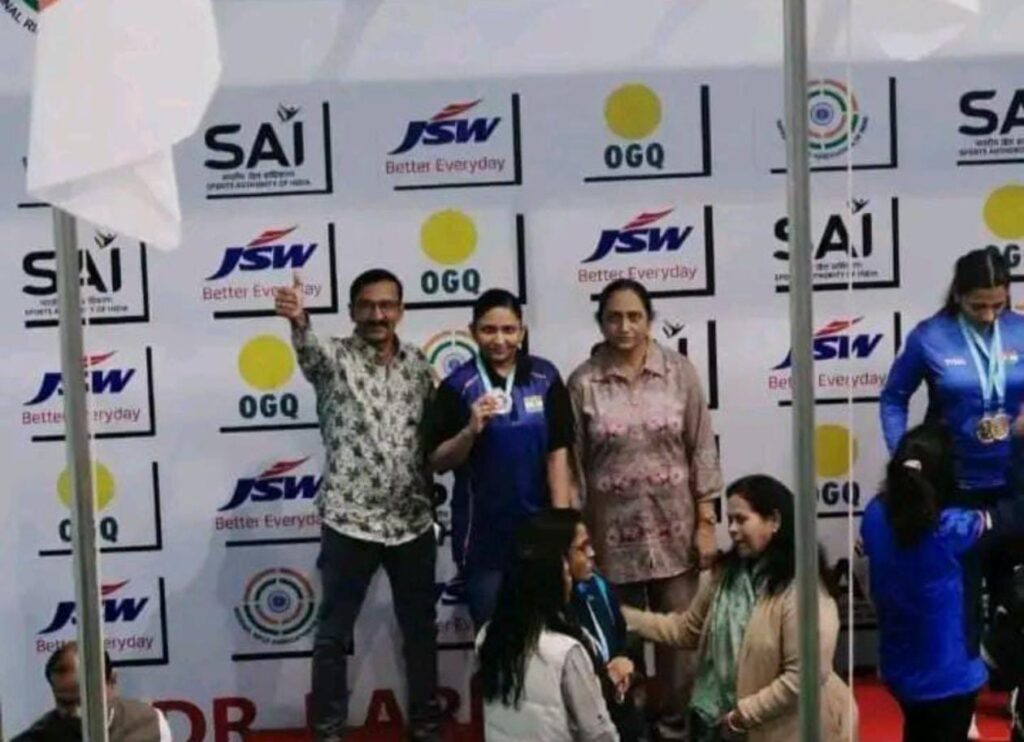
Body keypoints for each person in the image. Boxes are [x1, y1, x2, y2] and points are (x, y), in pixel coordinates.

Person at [275, 269, 441, 741]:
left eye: (386, 305)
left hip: (411, 521)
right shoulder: (333, 358)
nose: (377, 315)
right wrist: (299, 320)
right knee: (333, 635)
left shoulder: (419, 365)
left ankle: (427, 728)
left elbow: (437, 431)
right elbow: (309, 351)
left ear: (401, 311)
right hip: (349, 521)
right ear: (351, 311)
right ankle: (328, 732)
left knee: (421, 633)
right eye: (367, 305)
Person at [568, 278, 723, 740]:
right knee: (620, 644)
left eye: (634, 316)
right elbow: (573, 464)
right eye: (614, 317)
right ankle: (630, 728)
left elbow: (701, 448)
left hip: (675, 535)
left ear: (649, 321)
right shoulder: (583, 383)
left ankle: (677, 727)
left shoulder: (679, 372)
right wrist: (577, 535)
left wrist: (706, 521)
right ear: (600, 323)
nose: (625, 326)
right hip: (610, 541)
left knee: (683, 644)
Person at [621, 475, 856, 742]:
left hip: (777, 731)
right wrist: (626, 617)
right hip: (716, 723)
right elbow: (687, 630)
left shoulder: (803, 590)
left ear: (774, 521)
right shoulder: (725, 576)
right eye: (730, 520)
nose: (732, 529)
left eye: (741, 520)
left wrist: (743, 715)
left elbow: (802, 677)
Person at [880, 247, 1024, 642]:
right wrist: (905, 456)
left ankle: (1009, 671)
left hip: (1014, 483)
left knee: (1015, 599)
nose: (989, 315)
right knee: (960, 604)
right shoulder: (929, 337)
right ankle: (964, 674)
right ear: (958, 295)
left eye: (998, 305)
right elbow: (893, 398)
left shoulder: (1020, 329)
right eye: (978, 306)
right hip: (954, 485)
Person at [862, 423, 1024, 742]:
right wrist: (1018, 444)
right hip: (949, 679)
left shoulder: (874, 516)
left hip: (899, 671)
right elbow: (1015, 514)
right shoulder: (951, 529)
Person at [426, 288, 574, 628]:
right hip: (482, 538)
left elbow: (558, 456)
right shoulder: (457, 386)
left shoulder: (545, 378)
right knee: (493, 639)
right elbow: (438, 461)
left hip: (539, 533)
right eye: (489, 330)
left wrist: (561, 529)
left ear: (522, 331)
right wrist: (469, 430)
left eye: (509, 330)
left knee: (547, 637)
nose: (499, 340)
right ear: (473, 331)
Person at [477, 514, 619, 741]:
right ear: (548, 578)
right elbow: (599, 734)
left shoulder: (487, 636)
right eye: (565, 573)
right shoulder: (566, 651)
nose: (569, 580)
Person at [540, 508, 648, 742]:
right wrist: (607, 680)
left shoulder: (598, 585)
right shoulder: (543, 620)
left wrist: (624, 666)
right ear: (559, 558)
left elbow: (620, 638)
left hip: (615, 710)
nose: (592, 553)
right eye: (582, 548)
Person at [12, 643, 170, 742]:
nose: (77, 713)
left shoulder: (151, 723)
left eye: (85, 701)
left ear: (112, 682)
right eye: (65, 703)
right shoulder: (36, 738)